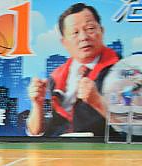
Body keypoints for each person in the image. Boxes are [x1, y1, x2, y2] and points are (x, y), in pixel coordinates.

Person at [27, 3, 119, 137]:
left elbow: (133, 126)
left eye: (90, 28)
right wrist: (37, 104)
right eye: (75, 33)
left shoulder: (123, 71)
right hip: (58, 148)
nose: (83, 37)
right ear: (64, 42)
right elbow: (36, 132)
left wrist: (98, 102)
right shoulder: (55, 77)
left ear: (102, 31)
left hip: (102, 148)